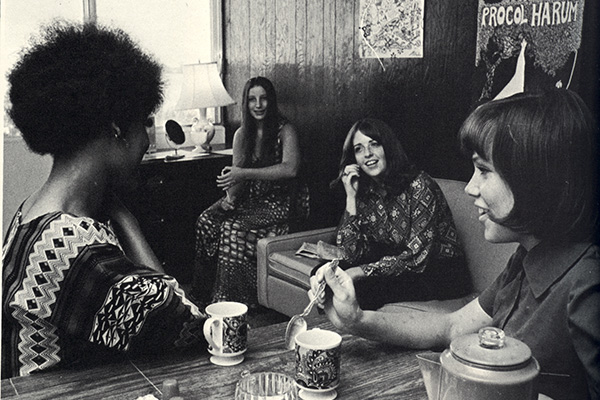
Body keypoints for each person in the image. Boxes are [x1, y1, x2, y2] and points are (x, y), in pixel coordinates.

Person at [310, 90, 600, 399]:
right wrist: (356, 319)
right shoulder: (523, 261)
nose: (471, 187)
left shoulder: (587, 283)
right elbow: (450, 327)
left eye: (484, 170)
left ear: (535, 179)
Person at [2, 22, 207, 378]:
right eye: (143, 123)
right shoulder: (72, 250)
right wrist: (126, 220)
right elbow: (186, 325)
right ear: (115, 127)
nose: (146, 140)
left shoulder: (32, 212)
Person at [328, 118, 471, 310]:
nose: (368, 154)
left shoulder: (420, 186)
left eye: (374, 144)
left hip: (439, 270)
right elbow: (351, 254)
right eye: (359, 149)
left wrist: (361, 271)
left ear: (388, 147)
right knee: (325, 273)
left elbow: (417, 257)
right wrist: (351, 197)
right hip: (397, 261)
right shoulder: (365, 189)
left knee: (362, 288)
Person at [192, 76, 309, 308]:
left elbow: (290, 169)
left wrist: (243, 174)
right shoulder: (241, 135)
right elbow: (237, 179)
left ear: (271, 101)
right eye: (252, 99)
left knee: (232, 229)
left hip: (282, 202)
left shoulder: (285, 130)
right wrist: (229, 197)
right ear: (245, 103)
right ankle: (202, 295)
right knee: (206, 220)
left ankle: (234, 303)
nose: (258, 105)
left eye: (263, 99)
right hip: (251, 199)